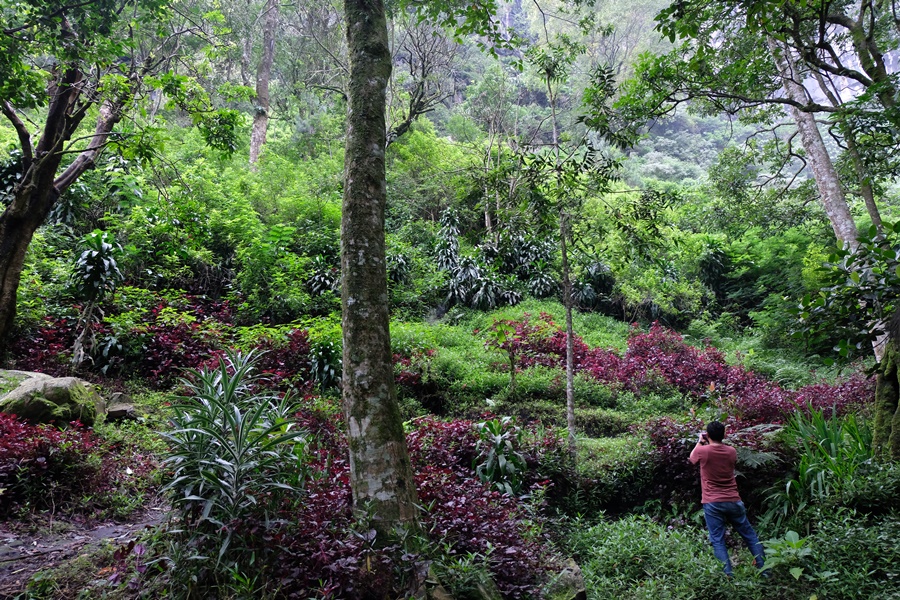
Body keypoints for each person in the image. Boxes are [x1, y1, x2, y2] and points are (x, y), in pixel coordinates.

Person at [689, 421, 767, 577]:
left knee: (718, 540)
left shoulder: (703, 451)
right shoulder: (731, 451)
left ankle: (727, 576)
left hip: (713, 502)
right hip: (733, 500)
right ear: (724, 435)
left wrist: (700, 441)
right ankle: (765, 571)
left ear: (708, 435)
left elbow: (692, 458)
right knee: (750, 536)